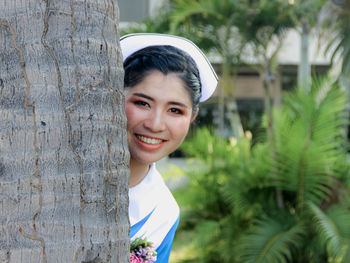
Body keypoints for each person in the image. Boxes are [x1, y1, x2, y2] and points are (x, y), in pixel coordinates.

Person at [120, 33, 218, 262]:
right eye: (142, 103)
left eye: (175, 110)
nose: (155, 125)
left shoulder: (162, 212)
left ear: (193, 116)